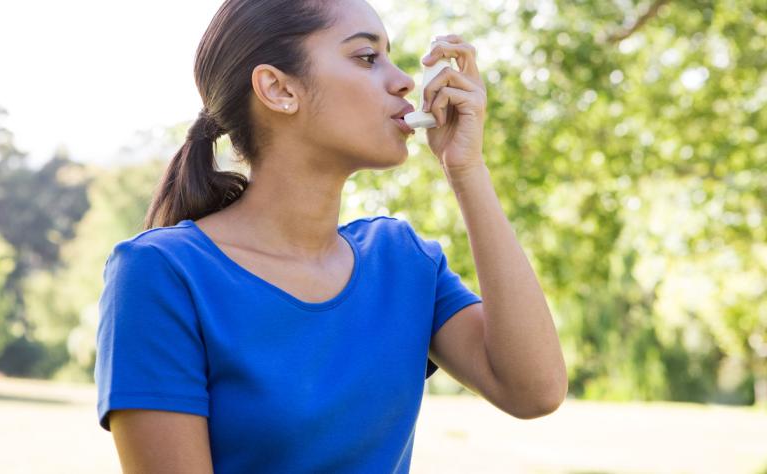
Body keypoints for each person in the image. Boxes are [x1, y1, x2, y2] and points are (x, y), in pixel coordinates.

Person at [94, 0, 568, 472]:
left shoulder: (402, 260)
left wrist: (466, 168)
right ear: (278, 89)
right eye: (367, 58)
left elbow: (534, 391)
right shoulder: (161, 272)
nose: (404, 80)